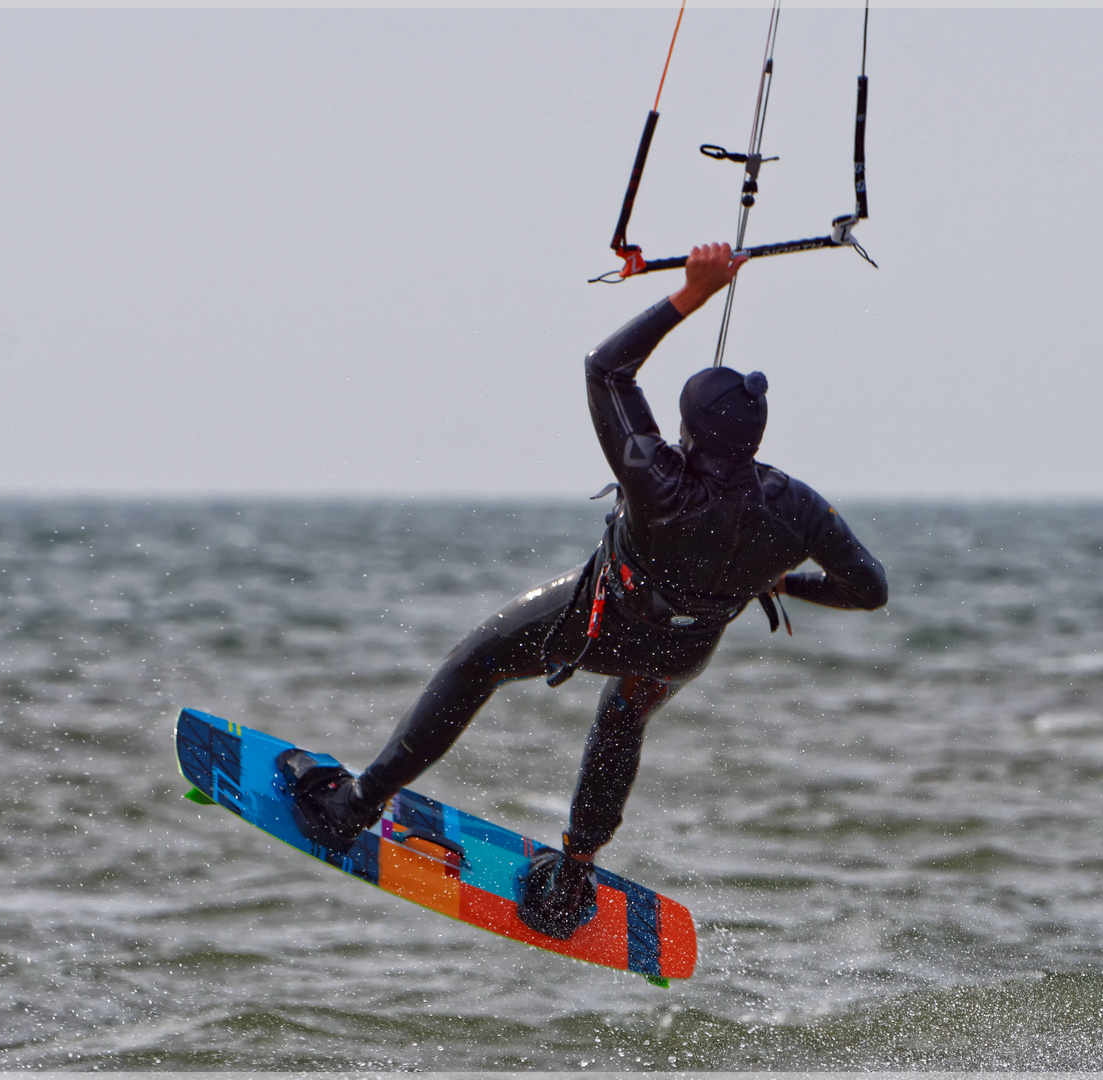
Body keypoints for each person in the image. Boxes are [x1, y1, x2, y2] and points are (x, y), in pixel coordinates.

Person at [282, 242, 888, 939]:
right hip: (681, 652)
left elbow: (606, 367)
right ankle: (572, 877)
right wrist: (783, 579)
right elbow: (868, 588)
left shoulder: (658, 478)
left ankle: (354, 806)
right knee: (623, 721)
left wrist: (692, 293)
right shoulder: (797, 507)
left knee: (477, 664)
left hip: (604, 623)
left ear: (685, 433)